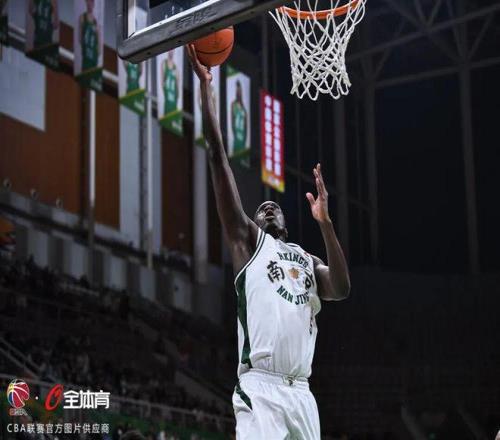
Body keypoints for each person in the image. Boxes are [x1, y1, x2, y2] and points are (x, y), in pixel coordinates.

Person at [187, 45, 351, 439]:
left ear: (288, 225)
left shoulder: (306, 259)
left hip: (302, 392)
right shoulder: (248, 244)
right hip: (261, 387)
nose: (268, 207)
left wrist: (326, 225)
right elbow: (217, 156)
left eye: (273, 207)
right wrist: (206, 89)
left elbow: (341, 288)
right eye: (261, 209)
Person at [78, 0, 100, 72]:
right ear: (86, 2)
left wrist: (97, 50)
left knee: (92, 72)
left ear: (93, 4)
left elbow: (98, 38)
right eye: (88, 1)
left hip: (93, 54)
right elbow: (80, 37)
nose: (89, 4)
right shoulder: (82, 17)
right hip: (86, 52)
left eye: (91, 2)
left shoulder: (95, 21)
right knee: (85, 71)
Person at [231, 80, 248, 154]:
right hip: (237, 134)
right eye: (237, 90)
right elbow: (232, 119)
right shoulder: (233, 104)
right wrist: (234, 132)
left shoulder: (244, 109)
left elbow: (246, 125)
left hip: (242, 135)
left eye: (239, 91)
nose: (238, 92)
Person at [163, 50, 179, 115]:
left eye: (172, 50)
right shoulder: (164, 63)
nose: (171, 52)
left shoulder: (176, 68)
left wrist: (177, 95)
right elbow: (162, 82)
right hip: (167, 95)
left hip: (173, 97)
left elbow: (177, 84)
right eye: (170, 50)